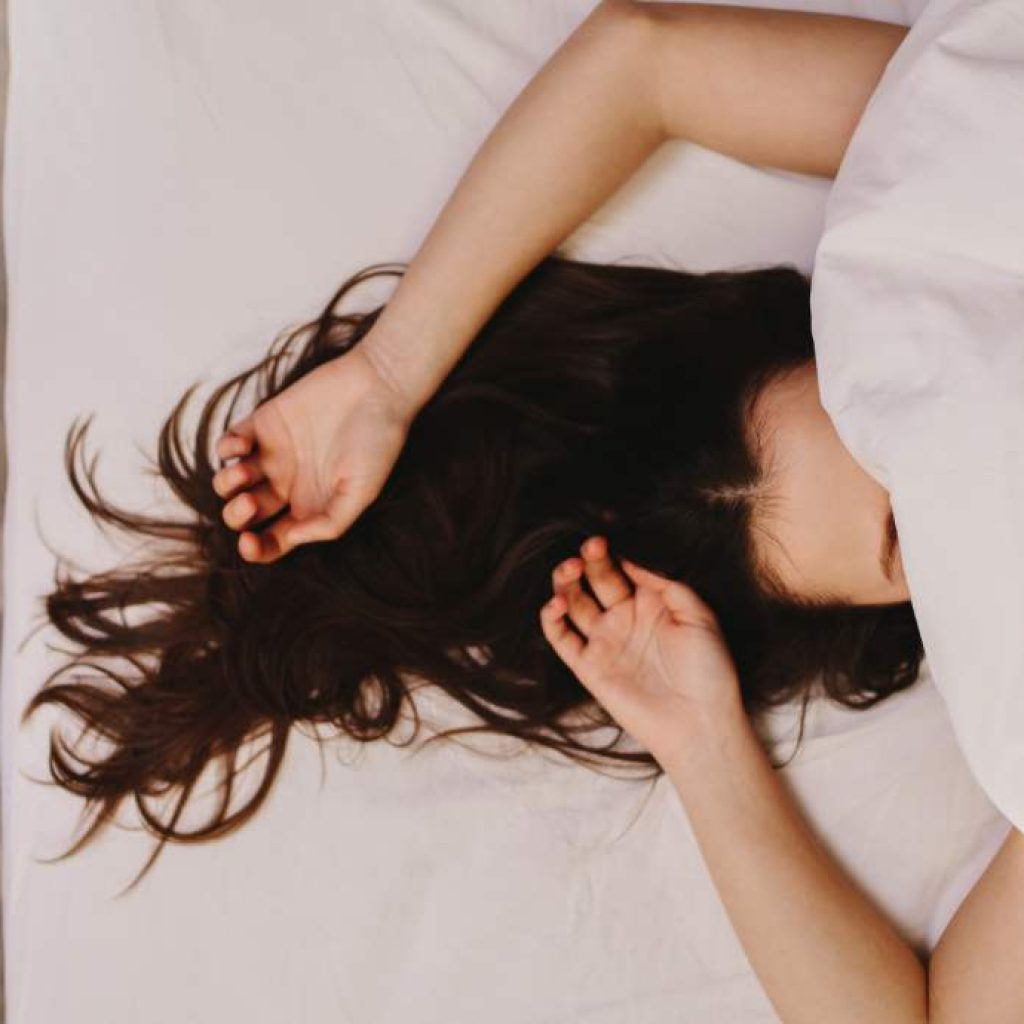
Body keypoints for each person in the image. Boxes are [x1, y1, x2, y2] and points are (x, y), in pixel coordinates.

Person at [28, 4, 1023, 1020]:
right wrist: (702, 744)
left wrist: (390, 371)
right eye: (906, 528)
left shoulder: (937, 185)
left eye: (880, 408)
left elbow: (646, 60)